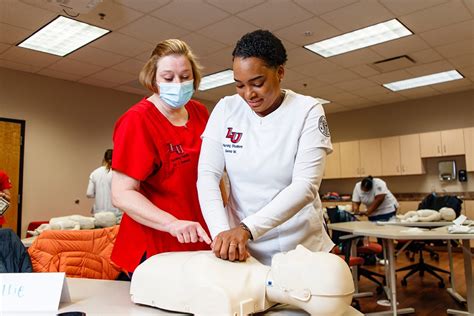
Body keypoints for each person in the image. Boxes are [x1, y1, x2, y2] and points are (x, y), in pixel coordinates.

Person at [197, 30, 334, 265]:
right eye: (239, 85)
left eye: (257, 83)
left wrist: (247, 228)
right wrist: (222, 234)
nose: (248, 94)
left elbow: (305, 186)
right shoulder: (226, 109)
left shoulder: (307, 111)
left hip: (298, 246)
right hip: (242, 248)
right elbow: (208, 176)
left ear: (280, 72)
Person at [110, 39, 211, 274]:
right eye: (168, 78)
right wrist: (171, 223)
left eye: (185, 77)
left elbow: (212, 172)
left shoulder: (199, 112)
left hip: (197, 241)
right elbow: (121, 194)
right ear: (153, 79)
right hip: (155, 244)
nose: (178, 83)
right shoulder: (137, 121)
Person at [130, 245, 355, 316]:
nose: (299, 249)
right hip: (154, 267)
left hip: (154, 271)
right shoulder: (252, 266)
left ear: (301, 294)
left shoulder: (226, 296)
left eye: (307, 261)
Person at [86, 149, 121, 218]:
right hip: (114, 213)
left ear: (104, 159)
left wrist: (99, 193)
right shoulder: (117, 173)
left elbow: (89, 194)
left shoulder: (94, 173)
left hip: (98, 214)